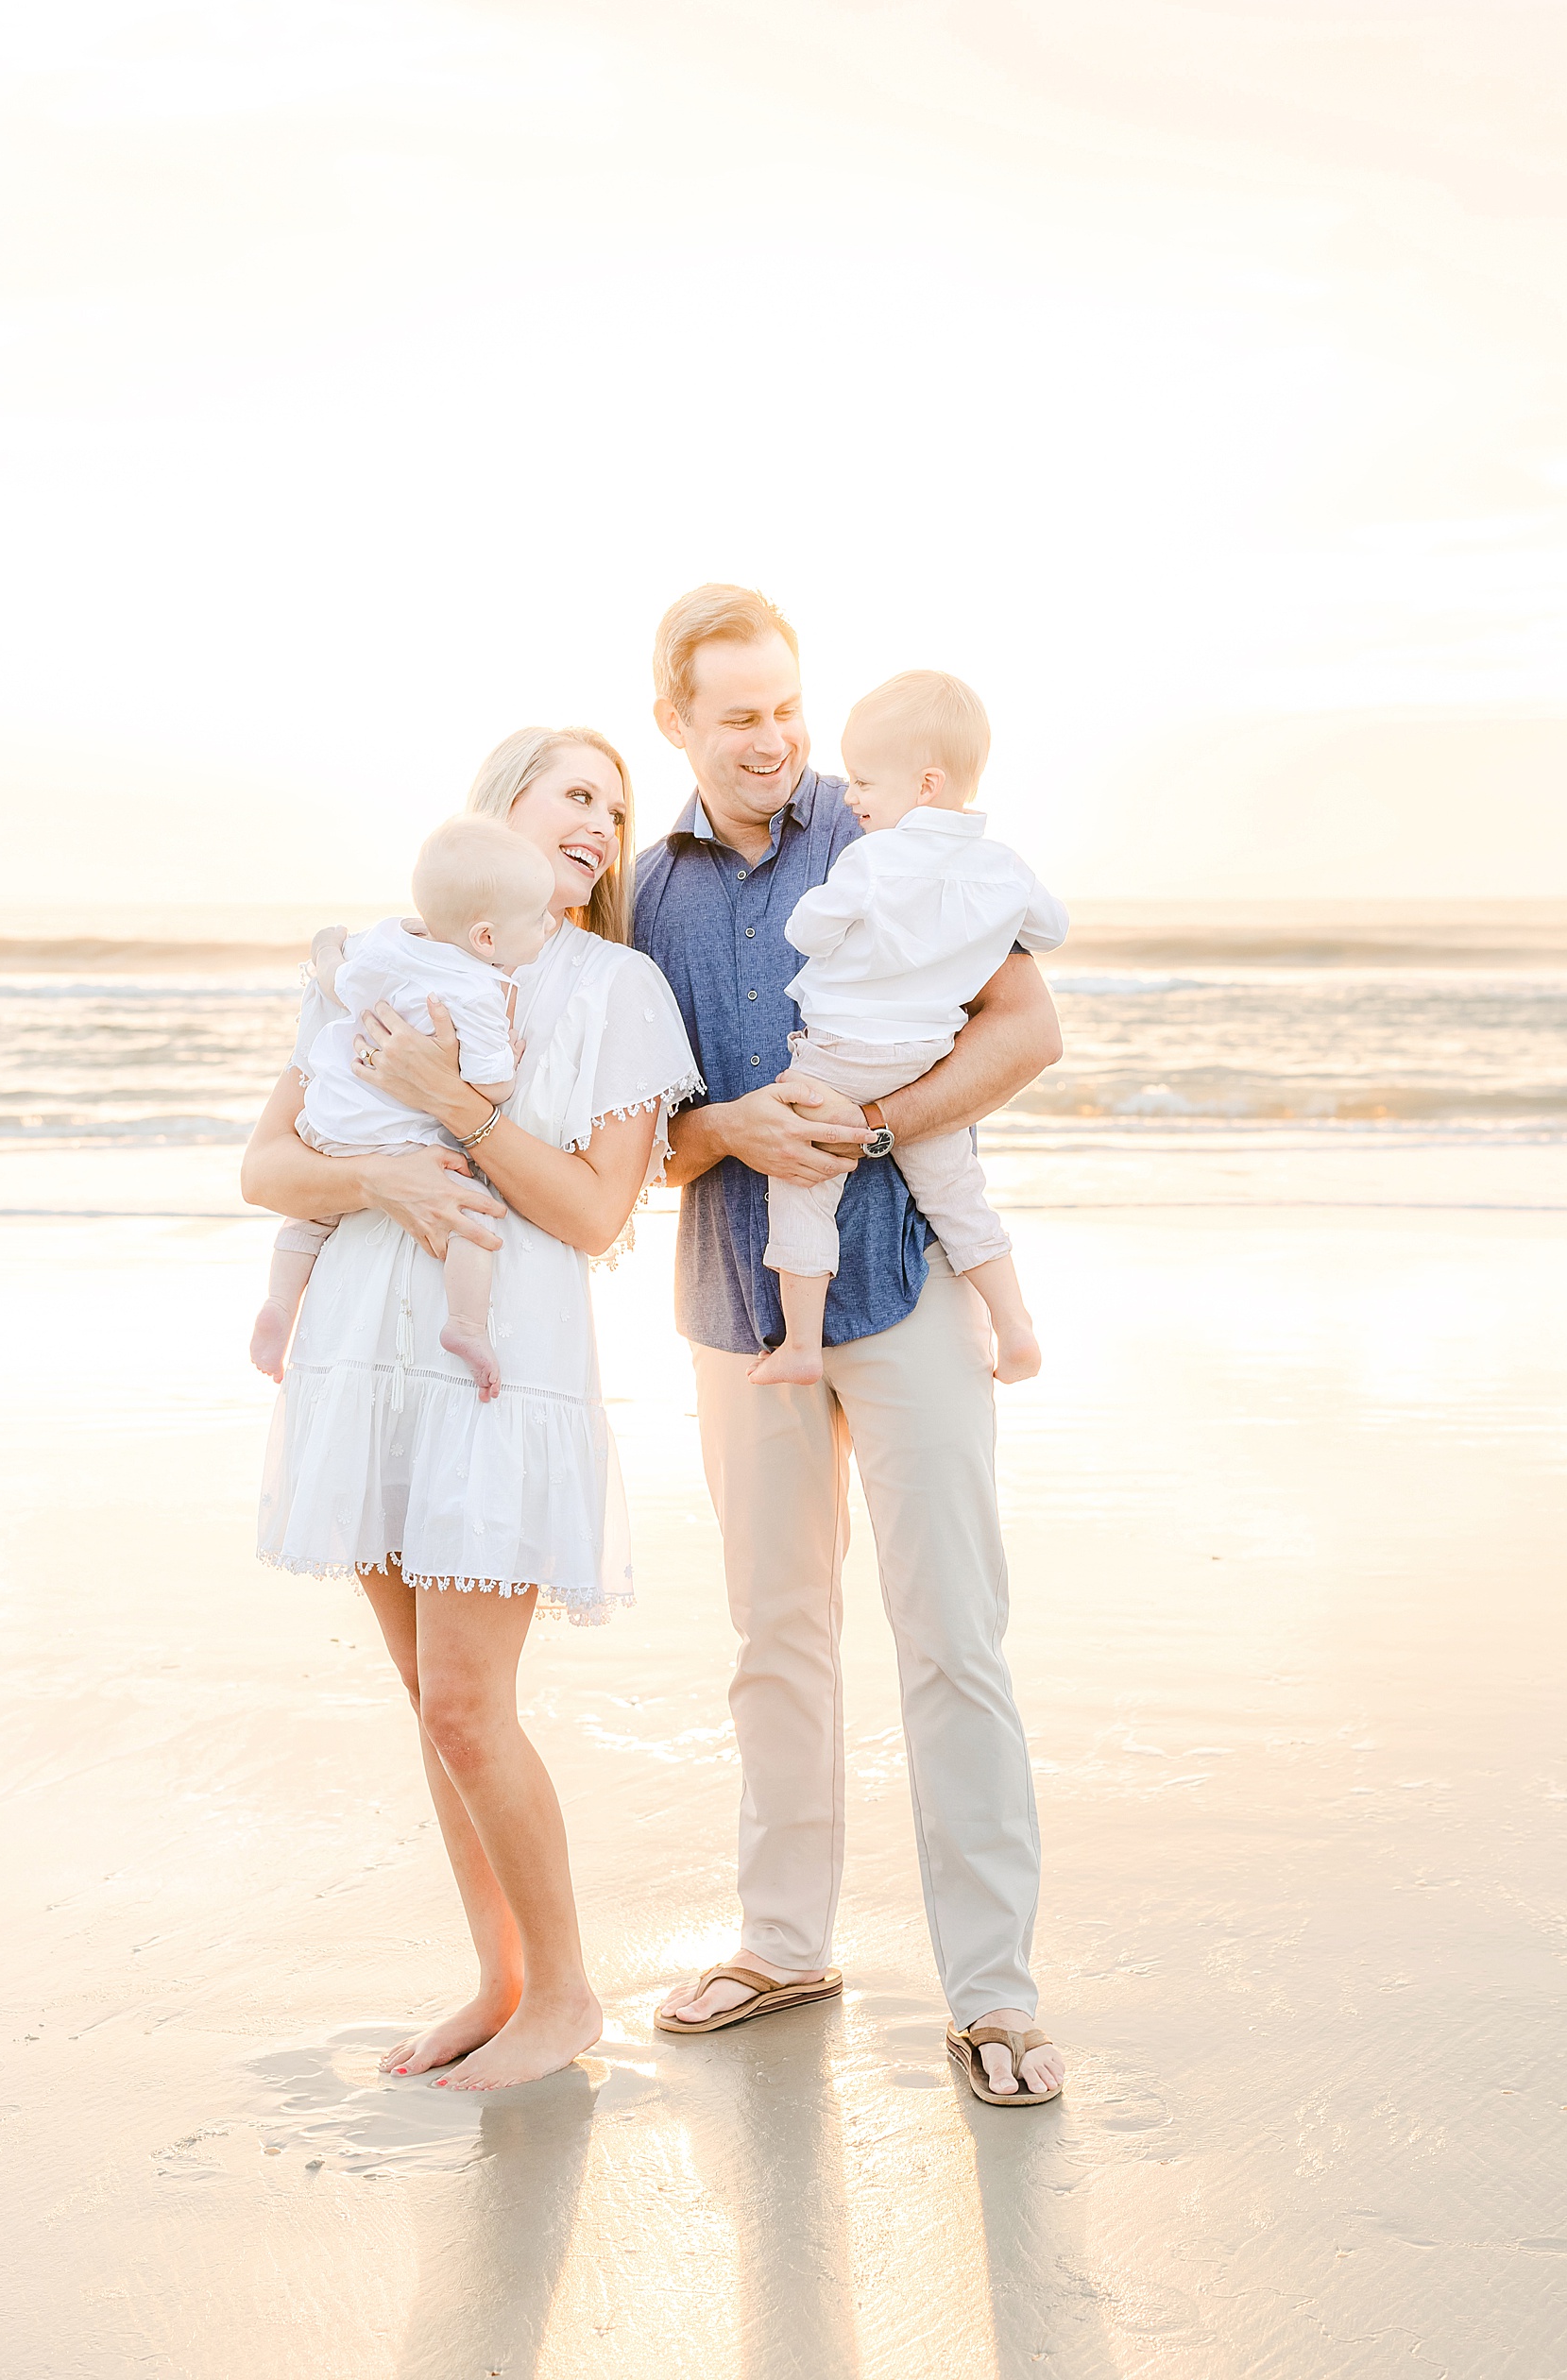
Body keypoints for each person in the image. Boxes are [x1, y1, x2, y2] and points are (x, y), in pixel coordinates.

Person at [636, 586, 1066, 2105]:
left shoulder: (891, 829)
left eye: (786, 708)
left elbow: (1027, 1034)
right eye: (737, 715)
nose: (774, 742)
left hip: (906, 1281)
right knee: (777, 1635)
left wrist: (874, 1128)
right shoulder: (643, 898)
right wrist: (722, 1127)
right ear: (676, 721)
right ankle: (780, 1941)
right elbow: (617, 1136)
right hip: (736, 1304)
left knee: (954, 1636)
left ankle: (995, 1994)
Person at [242, 725, 702, 2092]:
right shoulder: (374, 959)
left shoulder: (616, 988)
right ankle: (500, 1982)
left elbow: (598, 1210)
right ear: (502, 808)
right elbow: (270, 1167)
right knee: (429, 1701)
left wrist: (450, 1106)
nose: (601, 827)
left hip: (497, 1364)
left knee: (465, 1702)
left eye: (617, 812)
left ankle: (566, 1996)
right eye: (578, 794)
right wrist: (379, 1179)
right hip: (362, 1354)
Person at [750, 667, 1067, 1390]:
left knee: (801, 1180)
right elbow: (1052, 930)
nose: (850, 796)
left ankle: (800, 1343)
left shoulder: (872, 858)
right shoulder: (1003, 866)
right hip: (925, 1059)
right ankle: (1016, 1331)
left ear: (923, 786)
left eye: (864, 783)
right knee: (956, 1192)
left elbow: (806, 928)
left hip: (843, 1055)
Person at [248, 816, 556, 1400]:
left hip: (331, 1117)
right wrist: (508, 1059)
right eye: (538, 917)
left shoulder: (391, 938)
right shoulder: (478, 991)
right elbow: (490, 1089)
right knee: (472, 1216)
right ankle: (465, 1325)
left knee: (309, 1219)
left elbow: (340, 983)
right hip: (397, 1134)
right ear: (486, 939)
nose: (549, 925)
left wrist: (326, 949)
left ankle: (279, 1304)